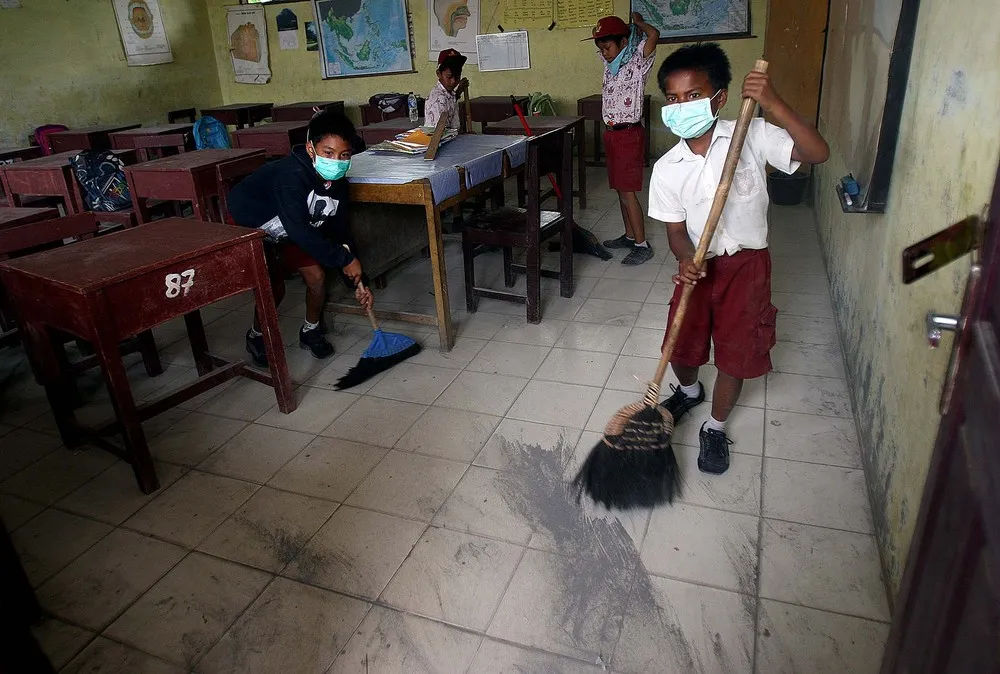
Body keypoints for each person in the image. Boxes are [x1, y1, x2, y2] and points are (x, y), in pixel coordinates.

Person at [650, 43, 829, 473]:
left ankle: (715, 426)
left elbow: (816, 153)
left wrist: (773, 103)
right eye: (672, 99)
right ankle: (689, 392)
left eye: (693, 95)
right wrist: (685, 258)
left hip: (747, 267)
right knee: (681, 345)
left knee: (736, 353)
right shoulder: (667, 167)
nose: (681, 106)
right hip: (699, 268)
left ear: (720, 97)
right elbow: (675, 232)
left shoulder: (753, 135)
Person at [226, 109, 374, 368]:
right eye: (328, 153)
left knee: (316, 276)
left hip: (295, 228)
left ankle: (311, 330)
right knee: (273, 287)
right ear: (310, 149)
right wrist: (344, 258)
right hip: (254, 225)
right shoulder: (290, 177)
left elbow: (339, 230)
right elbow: (300, 232)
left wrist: (356, 280)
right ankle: (257, 335)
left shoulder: (337, 182)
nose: (336, 161)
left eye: (344, 155)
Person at [588, 13, 659, 266]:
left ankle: (642, 244)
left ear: (623, 41)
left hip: (629, 134)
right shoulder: (610, 64)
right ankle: (629, 236)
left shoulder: (637, 60)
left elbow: (654, 35)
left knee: (628, 192)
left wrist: (638, 24)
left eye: (607, 47)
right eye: (601, 48)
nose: (604, 53)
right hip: (613, 134)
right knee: (619, 189)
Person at [425, 48, 469, 130]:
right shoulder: (437, 99)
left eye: (457, 77)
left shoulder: (449, 93)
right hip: (441, 141)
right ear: (438, 74)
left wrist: (459, 91)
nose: (453, 81)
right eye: (449, 77)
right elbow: (440, 134)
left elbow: (450, 102)